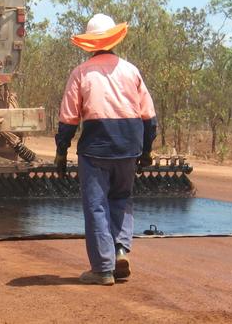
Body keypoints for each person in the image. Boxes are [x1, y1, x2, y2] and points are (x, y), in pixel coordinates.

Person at [55, 14, 157, 286]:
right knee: (121, 198)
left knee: (96, 206)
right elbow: (149, 116)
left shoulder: (81, 73)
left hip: (96, 149)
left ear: (90, 44)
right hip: (129, 146)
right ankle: (121, 249)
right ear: (113, 40)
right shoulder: (131, 71)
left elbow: (68, 118)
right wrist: (146, 151)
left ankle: (102, 269)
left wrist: (61, 152)